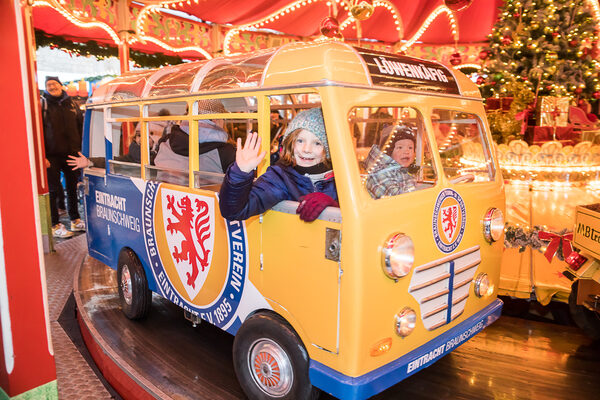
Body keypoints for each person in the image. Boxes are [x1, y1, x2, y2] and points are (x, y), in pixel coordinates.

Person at [219, 107, 338, 222]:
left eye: (317, 143)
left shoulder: (342, 178)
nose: (306, 149)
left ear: (328, 149)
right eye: (300, 141)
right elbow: (234, 211)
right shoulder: (281, 178)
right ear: (290, 142)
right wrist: (240, 173)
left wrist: (335, 206)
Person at [41, 76, 85, 238]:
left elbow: (80, 127)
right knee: (53, 190)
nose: (52, 87)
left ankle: (75, 219)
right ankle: (55, 224)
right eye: (49, 85)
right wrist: (42, 155)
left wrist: (81, 151)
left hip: (72, 154)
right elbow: (38, 131)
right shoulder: (43, 104)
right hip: (51, 155)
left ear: (61, 85)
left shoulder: (72, 104)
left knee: (72, 187)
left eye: (54, 84)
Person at [363, 124, 418, 199]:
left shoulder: (401, 170)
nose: (406, 151)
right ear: (389, 152)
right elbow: (399, 199)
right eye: (400, 147)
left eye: (410, 147)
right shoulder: (379, 173)